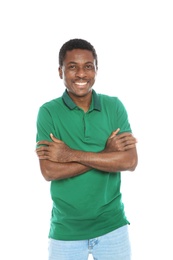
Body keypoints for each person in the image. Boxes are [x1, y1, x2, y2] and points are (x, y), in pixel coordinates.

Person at [36, 38, 138, 260]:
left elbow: (129, 162)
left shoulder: (114, 106)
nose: (81, 74)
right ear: (60, 71)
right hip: (66, 231)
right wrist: (106, 154)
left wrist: (69, 155)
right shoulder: (48, 112)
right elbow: (49, 172)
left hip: (112, 226)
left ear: (96, 70)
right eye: (72, 67)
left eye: (88, 66)